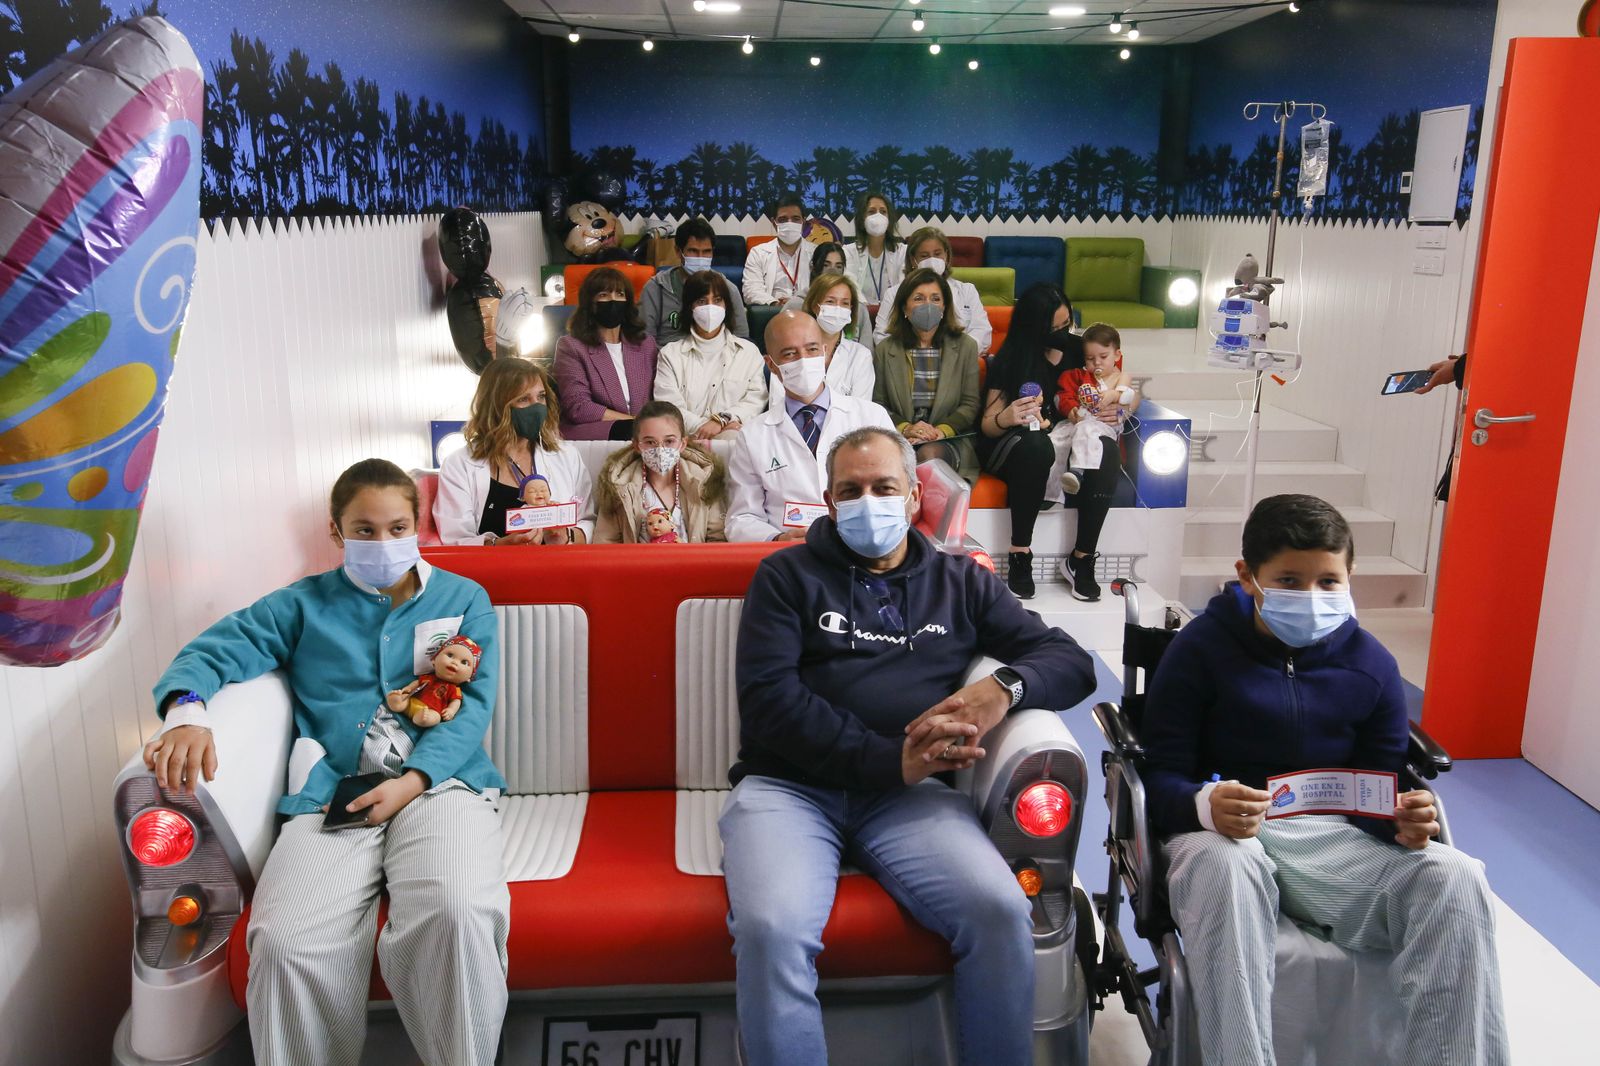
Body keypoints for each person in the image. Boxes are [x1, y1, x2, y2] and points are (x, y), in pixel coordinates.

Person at [722, 426, 1097, 1066]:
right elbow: (769, 704)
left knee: (999, 911)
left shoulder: (962, 582)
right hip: (790, 789)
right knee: (771, 928)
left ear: (914, 494)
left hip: (910, 798)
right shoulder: (785, 576)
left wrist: (1004, 688)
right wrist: (889, 759)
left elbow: (1071, 662)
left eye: (883, 487)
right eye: (850, 491)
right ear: (828, 500)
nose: (867, 503)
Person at [143, 458, 509, 1066]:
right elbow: (212, 651)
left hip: (441, 783)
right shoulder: (301, 605)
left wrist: (413, 781)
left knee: (455, 912)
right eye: (364, 530)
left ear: (416, 525)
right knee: (283, 940)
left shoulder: (463, 598)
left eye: (397, 528)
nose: (383, 542)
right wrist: (185, 712)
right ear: (336, 532)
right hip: (335, 792)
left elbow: (472, 706)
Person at [1141, 494, 1508, 1066]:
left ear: (1350, 576)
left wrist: (1401, 819)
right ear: (1248, 576)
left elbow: (1378, 790)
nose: (1312, 597)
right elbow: (1160, 779)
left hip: (1334, 845)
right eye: (1289, 581)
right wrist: (1206, 804)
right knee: (1225, 866)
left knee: (1455, 877)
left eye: (1328, 581)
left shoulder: (1372, 665)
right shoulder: (1199, 652)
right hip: (1224, 840)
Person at [725, 311, 894, 542]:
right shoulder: (753, 435)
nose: (803, 360)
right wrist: (778, 539)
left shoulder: (871, 417)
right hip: (789, 555)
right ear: (771, 365)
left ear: (824, 352)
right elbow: (741, 519)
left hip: (861, 547)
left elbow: (895, 495)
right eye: (790, 353)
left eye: (812, 349)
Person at [978, 283, 1095, 600]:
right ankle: (1020, 554)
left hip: (1071, 439)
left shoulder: (1080, 351)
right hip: (1018, 445)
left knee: (1105, 449)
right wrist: (1007, 417)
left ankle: (1082, 559)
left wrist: (1118, 404)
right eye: (1054, 328)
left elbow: (1115, 383)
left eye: (1066, 323)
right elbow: (988, 425)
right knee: (1037, 446)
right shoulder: (1012, 358)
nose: (1062, 333)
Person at [435, 357, 597, 545]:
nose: (537, 407)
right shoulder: (459, 465)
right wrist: (501, 546)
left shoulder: (567, 455)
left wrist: (566, 536)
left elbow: (588, 522)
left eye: (541, 397)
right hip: (492, 564)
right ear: (496, 406)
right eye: (523, 399)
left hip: (556, 562)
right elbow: (456, 541)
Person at [872, 266, 980, 485]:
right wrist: (907, 429)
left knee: (928, 455)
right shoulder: (885, 349)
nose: (928, 305)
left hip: (949, 439)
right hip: (900, 438)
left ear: (944, 306)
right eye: (919, 298)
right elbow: (878, 404)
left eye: (935, 299)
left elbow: (970, 404)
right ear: (904, 307)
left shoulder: (966, 346)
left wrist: (940, 431)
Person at [653, 269, 768, 442]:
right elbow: (669, 405)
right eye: (701, 301)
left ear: (726, 305)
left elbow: (756, 399)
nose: (710, 307)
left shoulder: (749, 352)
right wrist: (705, 427)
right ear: (690, 307)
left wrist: (722, 420)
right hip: (685, 441)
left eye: (717, 300)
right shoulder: (670, 354)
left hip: (734, 439)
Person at [594, 399, 728, 543]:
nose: (660, 450)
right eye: (650, 442)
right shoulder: (619, 487)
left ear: (682, 444)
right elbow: (605, 543)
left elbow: (718, 539)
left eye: (669, 441)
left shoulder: (703, 481)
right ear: (637, 445)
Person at [553, 266, 659, 441]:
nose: (613, 300)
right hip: (599, 432)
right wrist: (636, 423)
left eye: (619, 294)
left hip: (645, 434)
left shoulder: (646, 344)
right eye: (604, 295)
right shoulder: (571, 346)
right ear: (590, 303)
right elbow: (577, 407)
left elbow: (658, 397)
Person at [873, 227, 991, 355]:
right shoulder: (893, 293)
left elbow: (982, 332)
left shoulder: (967, 291)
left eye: (937, 254)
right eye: (924, 256)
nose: (932, 259)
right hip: (908, 360)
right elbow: (881, 336)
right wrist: (913, 354)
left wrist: (955, 354)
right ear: (913, 260)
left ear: (946, 255)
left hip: (958, 360)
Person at [1055, 322, 1139, 495]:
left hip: (1105, 423)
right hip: (1082, 419)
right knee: (1057, 436)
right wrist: (1072, 410)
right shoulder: (1081, 376)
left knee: (1086, 430)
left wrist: (1113, 395)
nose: (1097, 363)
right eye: (1090, 359)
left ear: (1117, 355)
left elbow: (1126, 395)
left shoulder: (1121, 376)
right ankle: (1051, 488)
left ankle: (1077, 472)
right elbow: (1064, 397)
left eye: (1103, 356)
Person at [638, 216, 751, 345]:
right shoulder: (655, 289)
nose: (700, 257)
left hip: (717, 355)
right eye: (693, 251)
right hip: (667, 354)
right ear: (678, 251)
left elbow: (742, 340)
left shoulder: (728, 289)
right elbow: (645, 343)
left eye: (706, 251)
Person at [766, 271, 874, 404]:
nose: (838, 309)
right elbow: (778, 403)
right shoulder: (789, 352)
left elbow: (861, 408)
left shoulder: (861, 355)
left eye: (845, 303)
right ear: (815, 306)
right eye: (830, 302)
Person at [742, 193, 811, 308]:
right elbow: (751, 291)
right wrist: (775, 303)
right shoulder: (758, 253)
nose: (790, 223)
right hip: (770, 312)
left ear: (803, 222)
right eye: (783, 219)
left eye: (795, 219)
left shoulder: (816, 253)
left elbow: (823, 290)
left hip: (806, 312)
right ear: (774, 223)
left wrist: (796, 303)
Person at [843, 189, 906, 309]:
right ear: (862, 219)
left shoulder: (903, 251)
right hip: (860, 312)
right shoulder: (848, 252)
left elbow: (904, 287)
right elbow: (850, 286)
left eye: (883, 212)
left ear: (889, 219)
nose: (878, 216)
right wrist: (866, 310)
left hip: (894, 312)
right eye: (871, 212)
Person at [810, 241, 873, 339]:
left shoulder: (859, 310)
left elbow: (867, 346)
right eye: (826, 265)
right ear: (813, 267)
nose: (832, 271)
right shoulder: (797, 304)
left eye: (838, 266)